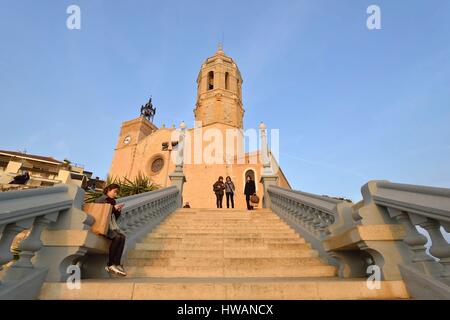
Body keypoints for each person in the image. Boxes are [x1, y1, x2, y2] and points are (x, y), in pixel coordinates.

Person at [95, 184, 127, 276]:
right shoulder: (102, 199)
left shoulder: (113, 201)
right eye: (115, 191)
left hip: (110, 225)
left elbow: (113, 217)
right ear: (108, 190)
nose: (115, 194)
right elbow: (101, 211)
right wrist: (113, 208)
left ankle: (117, 263)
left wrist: (117, 211)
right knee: (117, 237)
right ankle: (110, 264)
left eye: (117, 192)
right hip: (102, 225)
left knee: (122, 237)